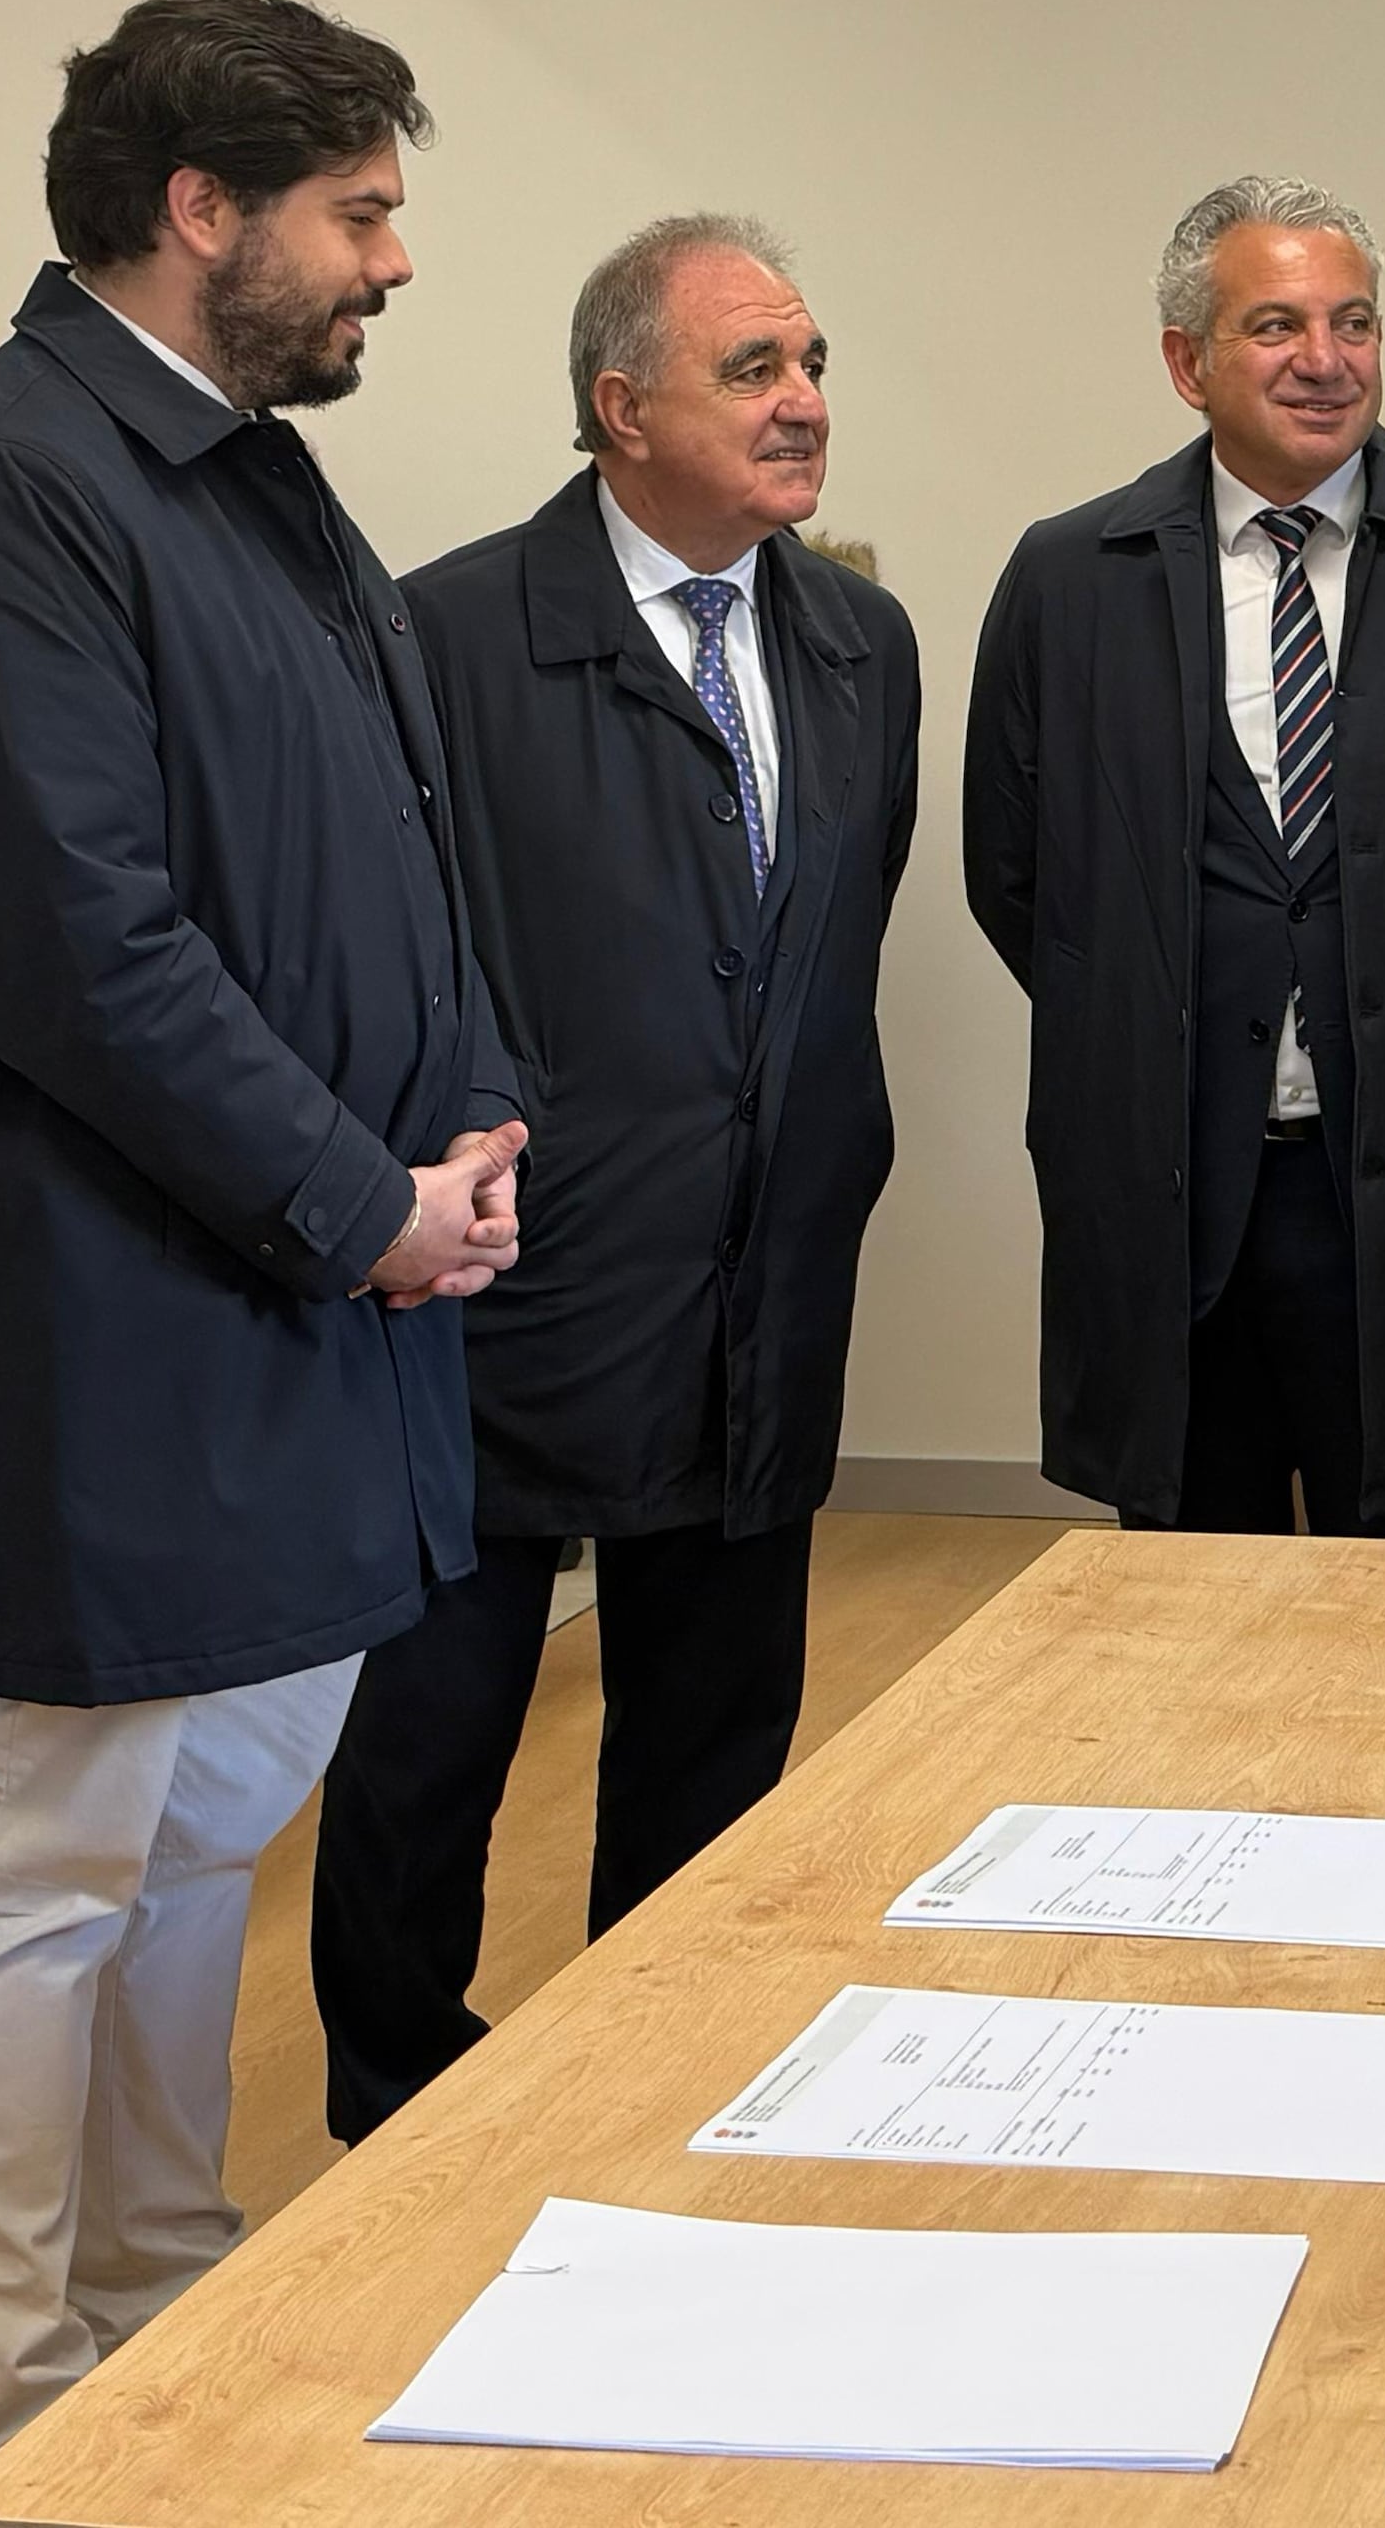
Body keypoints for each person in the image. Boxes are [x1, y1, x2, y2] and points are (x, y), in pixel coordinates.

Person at [0, 0, 527, 2513]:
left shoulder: (253, 481)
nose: (392, 261)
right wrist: (364, 1203)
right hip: (116, 1313)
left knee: (206, 1830)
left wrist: (470, 1123)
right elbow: (81, 953)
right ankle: (5, 2412)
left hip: (310, 1293)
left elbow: (403, 849)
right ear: (196, 208)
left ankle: (154, 2314)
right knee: (39, 1854)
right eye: (356, 212)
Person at [313, 215, 919, 2142]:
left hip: (765, 1268)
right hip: (512, 1277)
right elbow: (392, 947)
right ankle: (397, 2115)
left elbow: (836, 934)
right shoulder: (446, 634)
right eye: (754, 369)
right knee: (433, 1738)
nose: (803, 400)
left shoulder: (861, 643)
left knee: (718, 1733)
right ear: (620, 406)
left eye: (812, 364)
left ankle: (663, 2083)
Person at [964, 175, 1385, 1538]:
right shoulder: (1069, 580)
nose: (1324, 360)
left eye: (1354, 322)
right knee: (1186, 1592)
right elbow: (1019, 879)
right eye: (1276, 325)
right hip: (1175, 1193)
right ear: (1187, 363)